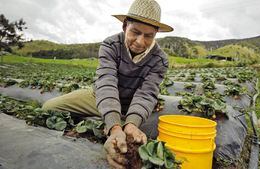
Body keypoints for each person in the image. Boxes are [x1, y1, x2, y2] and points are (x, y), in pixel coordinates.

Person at [42, 0, 173, 168]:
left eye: (148, 36)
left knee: (149, 134)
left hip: (133, 104)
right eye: (135, 32)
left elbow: (146, 93)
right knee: (49, 107)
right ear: (125, 26)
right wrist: (115, 127)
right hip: (101, 97)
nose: (140, 41)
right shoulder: (110, 45)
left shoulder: (160, 59)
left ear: (156, 34)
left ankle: (119, 121)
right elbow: (107, 82)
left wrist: (132, 124)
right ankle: (109, 120)